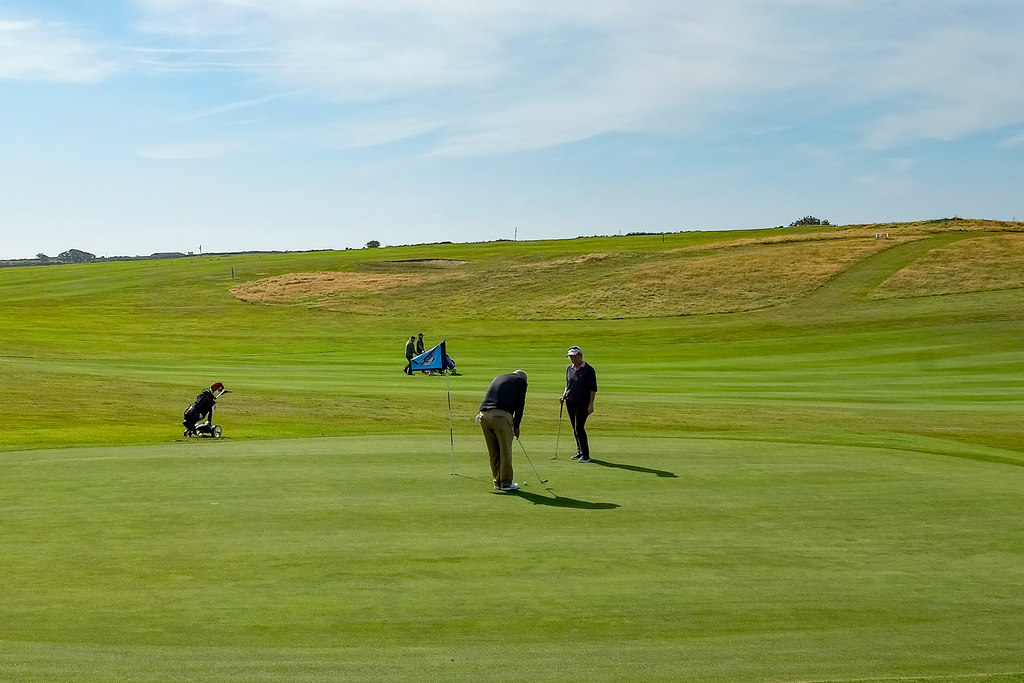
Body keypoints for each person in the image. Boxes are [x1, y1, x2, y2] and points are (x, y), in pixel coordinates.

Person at [478, 369, 528, 491]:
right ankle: (506, 483)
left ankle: (497, 481)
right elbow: (520, 405)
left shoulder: (499, 377)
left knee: (494, 451)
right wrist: (516, 426)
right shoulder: (521, 382)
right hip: (500, 416)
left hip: (483, 415)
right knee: (505, 450)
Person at [561, 346, 597, 462]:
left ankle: (586, 455)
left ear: (580, 356)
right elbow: (568, 384)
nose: (572, 359)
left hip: (583, 403)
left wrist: (591, 404)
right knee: (575, 428)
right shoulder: (569, 369)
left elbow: (593, 388)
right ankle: (579, 451)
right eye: (570, 357)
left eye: (574, 357)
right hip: (570, 401)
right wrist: (564, 395)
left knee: (579, 427)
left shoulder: (588, 370)